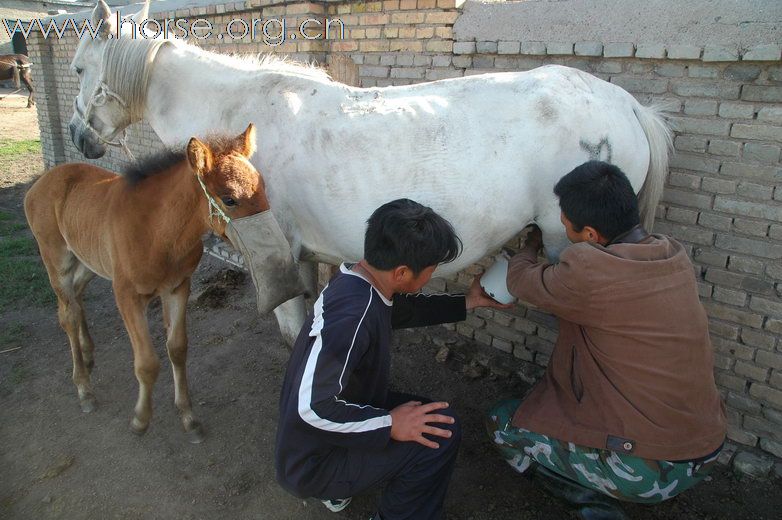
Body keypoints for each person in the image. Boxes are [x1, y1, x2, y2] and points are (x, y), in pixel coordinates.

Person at [487, 161, 726, 520]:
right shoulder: (670, 253)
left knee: (501, 423)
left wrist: (532, 242)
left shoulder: (589, 269)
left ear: (590, 236)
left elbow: (520, 279)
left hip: (652, 469)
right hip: (706, 446)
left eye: (565, 224)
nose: (561, 229)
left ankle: (596, 508)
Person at [275, 198, 508, 520]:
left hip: (325, 433)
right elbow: (311, 408)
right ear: (401, 272)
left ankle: (346, 486)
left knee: (432, 418)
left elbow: (398, 309)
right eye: (431, 270)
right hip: (314, 461)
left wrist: (467, 302)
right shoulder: (354, 316)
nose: (431, 276)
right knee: (440, 436)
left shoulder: (357, 281)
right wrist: (390, 424)